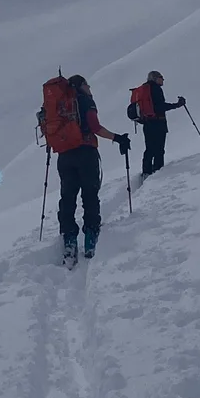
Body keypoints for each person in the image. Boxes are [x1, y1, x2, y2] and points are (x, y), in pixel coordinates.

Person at [46, 74, 130, 261]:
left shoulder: (59, 105)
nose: (90, 88)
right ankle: (91, 236)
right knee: (89, 195)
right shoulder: (85, 101)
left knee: (67, 197)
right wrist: (118, 138)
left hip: (64, 156)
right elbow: (95, 127)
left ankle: (69, 240)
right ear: (81, 85)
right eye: (87, 85)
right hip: (86, 153)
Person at [126, 70, 186, 178]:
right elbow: (160, 106)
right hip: (158, 122)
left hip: (147, 123)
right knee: (159, 149)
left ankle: (146, 172)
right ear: (155, 78)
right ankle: (158, 173)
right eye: (161, 77)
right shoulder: (156, 89)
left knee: (149, 148)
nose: (163, 80)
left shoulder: (144, 89)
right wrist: (177, 105)